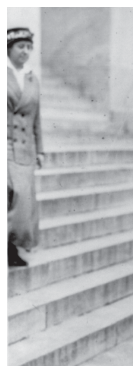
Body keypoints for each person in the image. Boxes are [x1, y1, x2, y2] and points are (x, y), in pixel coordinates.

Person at [7, 27, 44, 267]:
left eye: (29, 47)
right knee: (14, 194)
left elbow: (36, 118)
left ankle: (11, 247)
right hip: (6, 144)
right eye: (21, 46)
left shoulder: (32, 78)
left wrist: (40, 149)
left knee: (23, 200)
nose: (25, 51)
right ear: (9, 48)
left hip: (26, 149)